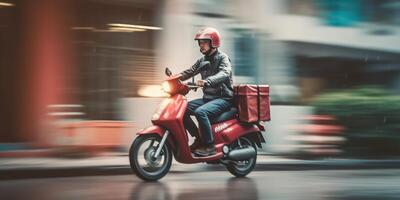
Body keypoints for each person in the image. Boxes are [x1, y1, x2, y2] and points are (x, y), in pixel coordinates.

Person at [179, 27, 234, 157]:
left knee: (200, 112)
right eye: (200, 42)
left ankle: (209, 146)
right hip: (208, 98)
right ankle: (199, 139)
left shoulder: (223, 58)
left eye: (204, 42)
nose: (201, 45)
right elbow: (189, 72)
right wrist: (173, 79)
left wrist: (207, 81)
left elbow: (225, 73)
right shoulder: (202, 60)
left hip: (223, 98)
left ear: (213, 43)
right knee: (182, 109)